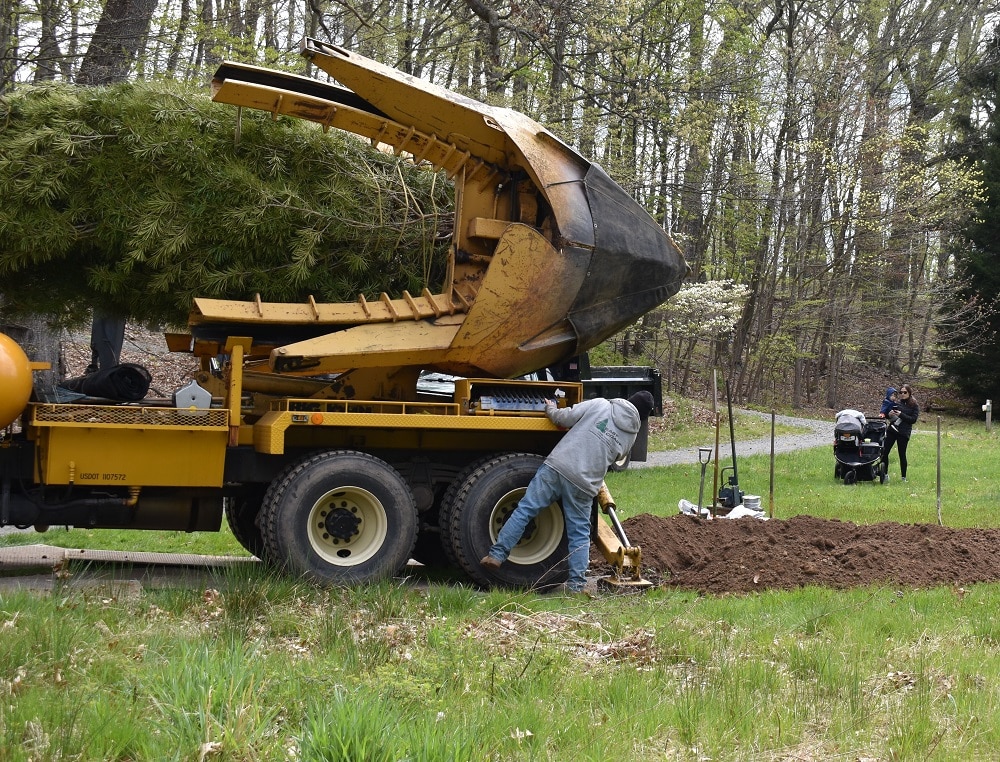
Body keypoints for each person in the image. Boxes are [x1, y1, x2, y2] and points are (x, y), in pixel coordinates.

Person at [480, 390, 656, 593]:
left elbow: (563, 418)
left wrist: (550, 408)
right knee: (579, 534)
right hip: (585, 484)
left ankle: (496, 555)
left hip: (558, 468)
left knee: (525, 510)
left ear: (628, 400)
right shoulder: (630, 437)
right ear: (642, 417)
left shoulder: (600, 405)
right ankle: (576, 586)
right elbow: (617, 455)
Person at [880, 384, 919, 483]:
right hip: (892, 430)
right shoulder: (896, 403)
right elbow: (889, 416)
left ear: (909, 393)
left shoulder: (914, 405)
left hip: (903, 432)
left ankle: (903, 477)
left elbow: (913, 420)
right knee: (884, 452)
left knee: (902, 454)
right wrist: (889, 414)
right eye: (900, 392)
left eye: (905, 392)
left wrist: (901, 414)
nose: (902, 394)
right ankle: (885, 475)